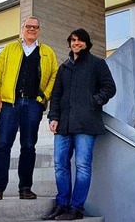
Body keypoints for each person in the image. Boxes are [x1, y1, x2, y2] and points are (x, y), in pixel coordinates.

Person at [42, 28, 116, 220]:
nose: (76, 43)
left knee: (83, 166)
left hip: (86, 124)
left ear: (86, 43)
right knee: (60, 165)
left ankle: (76, 208)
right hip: (63, 125)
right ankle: (62, 205)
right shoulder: (64, 67)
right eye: (73, 40)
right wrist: (53, 117)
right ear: (69, 43)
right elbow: (56, 95)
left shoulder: (97, 64)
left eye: (80, 40)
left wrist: (93, 101)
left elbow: (110, 87)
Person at [0, 16, 58, 200]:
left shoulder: (47, 52)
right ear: (22, 28)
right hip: (10, 103)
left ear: (39, 30)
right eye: (29, 26)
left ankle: (25, 187)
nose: (32, 30)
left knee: (28, 146)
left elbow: (54, 75)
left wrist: (44, 96)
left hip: (33, 104)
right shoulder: (10, 49)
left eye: (35, 27)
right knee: (3, 145)